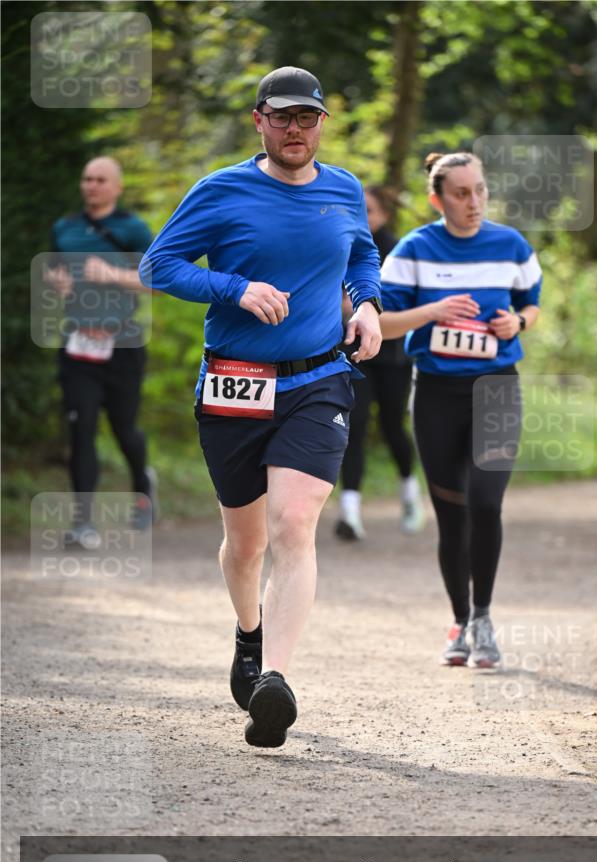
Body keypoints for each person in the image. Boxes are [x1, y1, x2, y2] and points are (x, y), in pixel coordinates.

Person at [139, 67, 382, 747]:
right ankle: (249, 635)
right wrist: (234, 288)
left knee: (293, 524)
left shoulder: (343, 189)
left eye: (307, 118)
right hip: (235, 381)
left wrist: (365, 303)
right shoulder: (221, 190)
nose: (295, 130)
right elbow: (158, 266)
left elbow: (362, 257)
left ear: (321, 123)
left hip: (317, 379)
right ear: (259, 121)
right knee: (244, 544)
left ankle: (273, 680)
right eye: (282, 118)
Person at [380, 152, 542, 671]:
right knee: (452, 518)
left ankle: (484, 616)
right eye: (461, 194)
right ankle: (459, 622)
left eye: (480, 191)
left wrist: (517, 322)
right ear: (438, 199)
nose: (474, 203)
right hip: (435, 395)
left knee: (486, 501)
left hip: (496, 388)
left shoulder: (511, 245)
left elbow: (531, 302)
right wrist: (432, 311)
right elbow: (379, 324)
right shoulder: (414, 251)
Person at [46, 156, 156, 548]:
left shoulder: (132, 228)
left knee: (124, 428)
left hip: (123, 344)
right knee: (82, 429)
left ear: (117, 187)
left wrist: (112, 275)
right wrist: (56, 281)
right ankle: (83, 525)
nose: (91, 185)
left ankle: (143, 482)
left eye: (100, 179)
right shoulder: (65, 228)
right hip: (78, 343)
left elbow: (156, 279)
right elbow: (55, 270)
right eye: (86, 178)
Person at [335, 185, 423, 541]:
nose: (363, 217)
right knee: (352, 426)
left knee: (391, 427)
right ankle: (350, 513)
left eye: (369, 210)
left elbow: (410, 301)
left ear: (384, 215)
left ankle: (410, 493)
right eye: (358, 209)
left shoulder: (400, 251)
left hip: (392, 355)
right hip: (351, 350)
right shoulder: (339, 243)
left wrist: (363, 307)